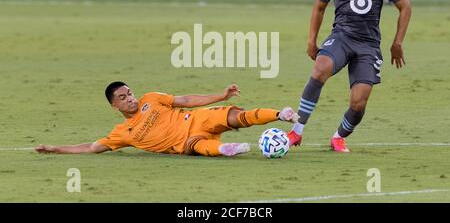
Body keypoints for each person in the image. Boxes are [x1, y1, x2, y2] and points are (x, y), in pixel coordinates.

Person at [287, 0, 411, 152]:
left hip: (369, 45)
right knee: (319, 69)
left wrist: (397, 43)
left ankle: (339, 136)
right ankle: (297, 131)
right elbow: (319, 7)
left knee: (359, 102)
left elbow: (405, 8)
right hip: (342, 37)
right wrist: (311, 41)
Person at [35, 82, 298, 157]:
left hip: (195, 119)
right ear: (114, 106)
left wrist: (221, 95)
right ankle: (226, 150)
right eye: (123, 97)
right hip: (185, 142)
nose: (130, 98)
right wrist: (56, 148)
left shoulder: (151, 98)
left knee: (237, 116)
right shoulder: (122, 132)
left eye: (130, 93)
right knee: (199, 147)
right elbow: (92, 147)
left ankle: (280, 114)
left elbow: (184, 100)